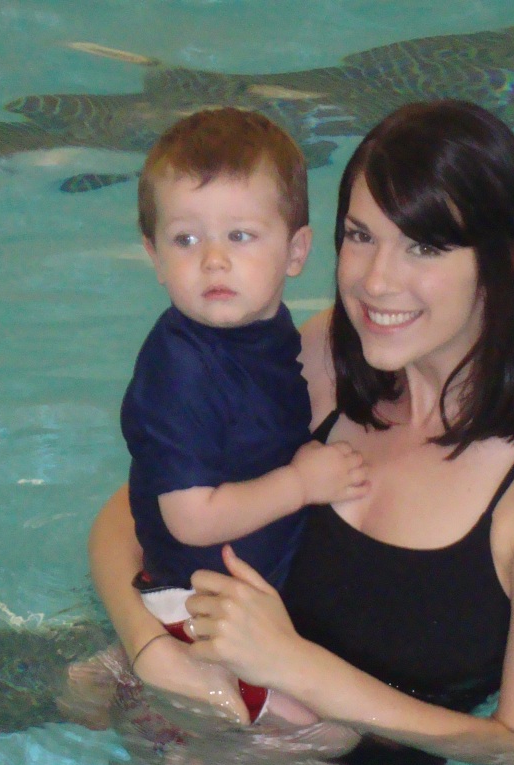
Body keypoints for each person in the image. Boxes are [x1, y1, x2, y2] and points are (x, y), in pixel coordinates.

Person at [88, 100, 514, 765]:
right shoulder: (315, 359)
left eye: (424, 246)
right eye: (360, 235)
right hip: (191, 715)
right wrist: (145, 647)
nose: (376, 280)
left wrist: (302, 670)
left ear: (504, 261)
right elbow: (125, 519)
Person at [66, 107, 369, 731]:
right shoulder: (180, 369)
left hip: (224, 592)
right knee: (321, 736)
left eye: (241, 235)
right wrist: (302, 486)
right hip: (195, 599)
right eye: (186, 239)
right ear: (153, 255)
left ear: (296, 251)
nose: (213, 261)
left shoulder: (262, 331)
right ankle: (154, 688)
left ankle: (126, 670)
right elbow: (189, 515)